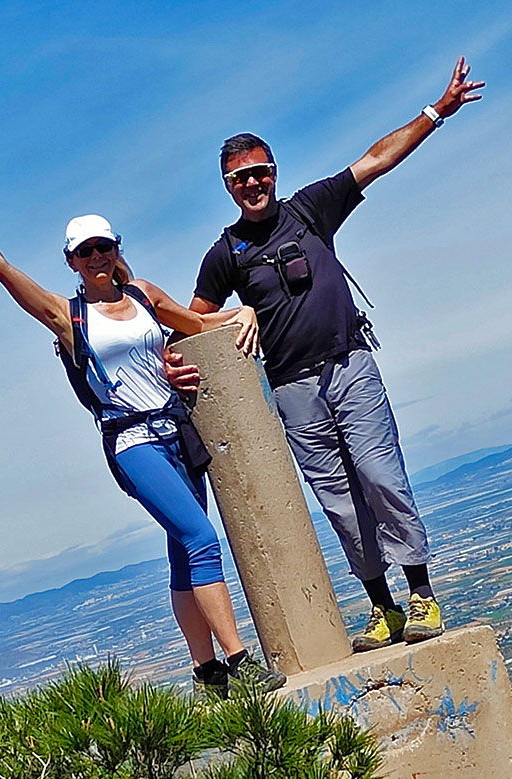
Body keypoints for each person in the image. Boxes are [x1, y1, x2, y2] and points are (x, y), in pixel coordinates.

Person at [0, 158, 283, 696]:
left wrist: (243, 313)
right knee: (201, 538)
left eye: (103, 247)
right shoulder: (66, 315)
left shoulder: (142, 295)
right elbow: (4, 271)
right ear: (71, 261)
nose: (96, 257)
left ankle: (205, 669)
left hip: (178, 433)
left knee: (182, 550)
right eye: (84, 251)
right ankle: (238, 662)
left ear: (116, 248)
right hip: (132, 440)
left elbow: (198, 323)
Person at [186, 57, 485, 653]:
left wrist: (436, 112)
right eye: (240, 178)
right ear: (227, 187)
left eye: (260, 172)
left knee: (382, 478)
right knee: (342, 503)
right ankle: (383, 609)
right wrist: (234, 313)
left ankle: (421, 593)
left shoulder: (310, 209)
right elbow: (190, 318)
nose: (252, 183)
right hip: (292, 389)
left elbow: (375, 161)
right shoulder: (226, 253)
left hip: (349, 364)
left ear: (274, 173)